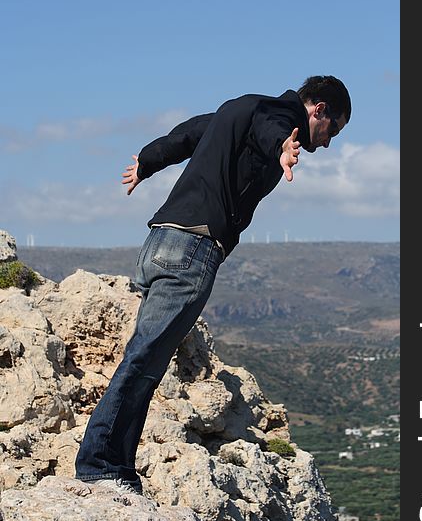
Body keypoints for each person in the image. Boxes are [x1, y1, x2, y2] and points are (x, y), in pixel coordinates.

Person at [75, 75, 352, 495]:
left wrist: (147, 162)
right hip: (194, 246)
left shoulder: (238, 109)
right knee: (141, 362)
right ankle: (98, 462)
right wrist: (283, 148)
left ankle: (118, 467)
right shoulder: (280, 117)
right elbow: (273, 130)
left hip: (159, 240)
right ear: (319, 110)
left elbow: (186, 135)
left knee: (145, 363)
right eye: (334, 129)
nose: (329, 142)